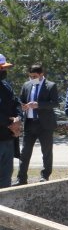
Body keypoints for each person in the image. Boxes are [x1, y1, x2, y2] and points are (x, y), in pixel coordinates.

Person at [16, 65, 58, 184]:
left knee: (46, 152)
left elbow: (55, 103)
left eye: (34, 76)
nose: (32, 79)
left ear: (41, 74)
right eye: (30, 76)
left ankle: (45, 175)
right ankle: (21, 178)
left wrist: (38, 104)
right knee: (25, 152)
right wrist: (22, 106)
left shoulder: (51, 85)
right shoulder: (27, 85)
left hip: (45, 124)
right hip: (29, 123)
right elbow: (21, 101)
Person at [0, 55, 21, 189]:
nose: (4, 72)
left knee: (6, 178)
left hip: (8, 139)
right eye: (2, 68)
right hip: (6, 131)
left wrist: (18, 119)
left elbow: (16, 104)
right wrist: (10, 124)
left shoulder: (6, 86)